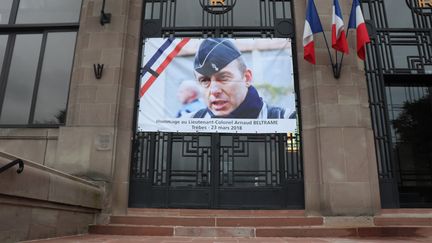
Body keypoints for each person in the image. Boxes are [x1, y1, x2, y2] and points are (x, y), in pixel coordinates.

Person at [191, 38, 285, 118]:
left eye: (223, 78)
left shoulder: (285, 120)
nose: (214, 91)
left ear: (247, 78)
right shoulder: (189, 123)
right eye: (204, 81)